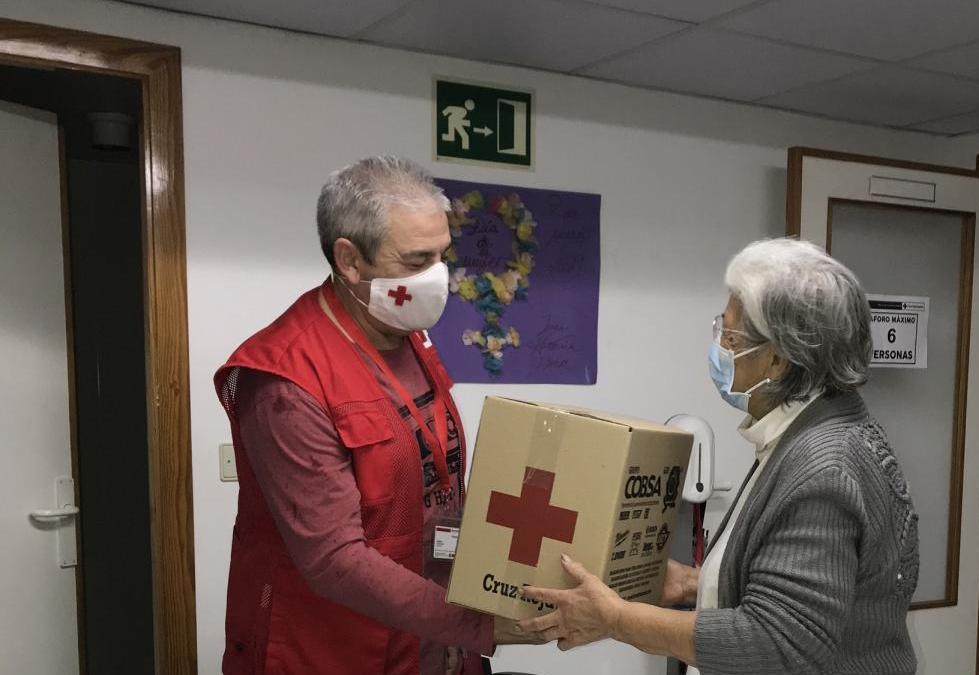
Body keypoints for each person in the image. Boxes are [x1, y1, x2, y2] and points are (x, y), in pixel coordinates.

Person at [518, 238, 920, 674]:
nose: (719, 347)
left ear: (777, 361)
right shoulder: (817, 432)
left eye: (730, 335)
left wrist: (614, 619)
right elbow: (822, 592)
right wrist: (696, 584)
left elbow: (776, 644)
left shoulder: (822, 467)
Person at [214, 156, 533, 675]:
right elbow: (334, 561)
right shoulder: (285, 378)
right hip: (338, 648)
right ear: (350, 260)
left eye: (442, 257)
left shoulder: (404, 334)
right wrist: (486, 626)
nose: (438, 278)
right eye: (415, 261)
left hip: (436, 640)